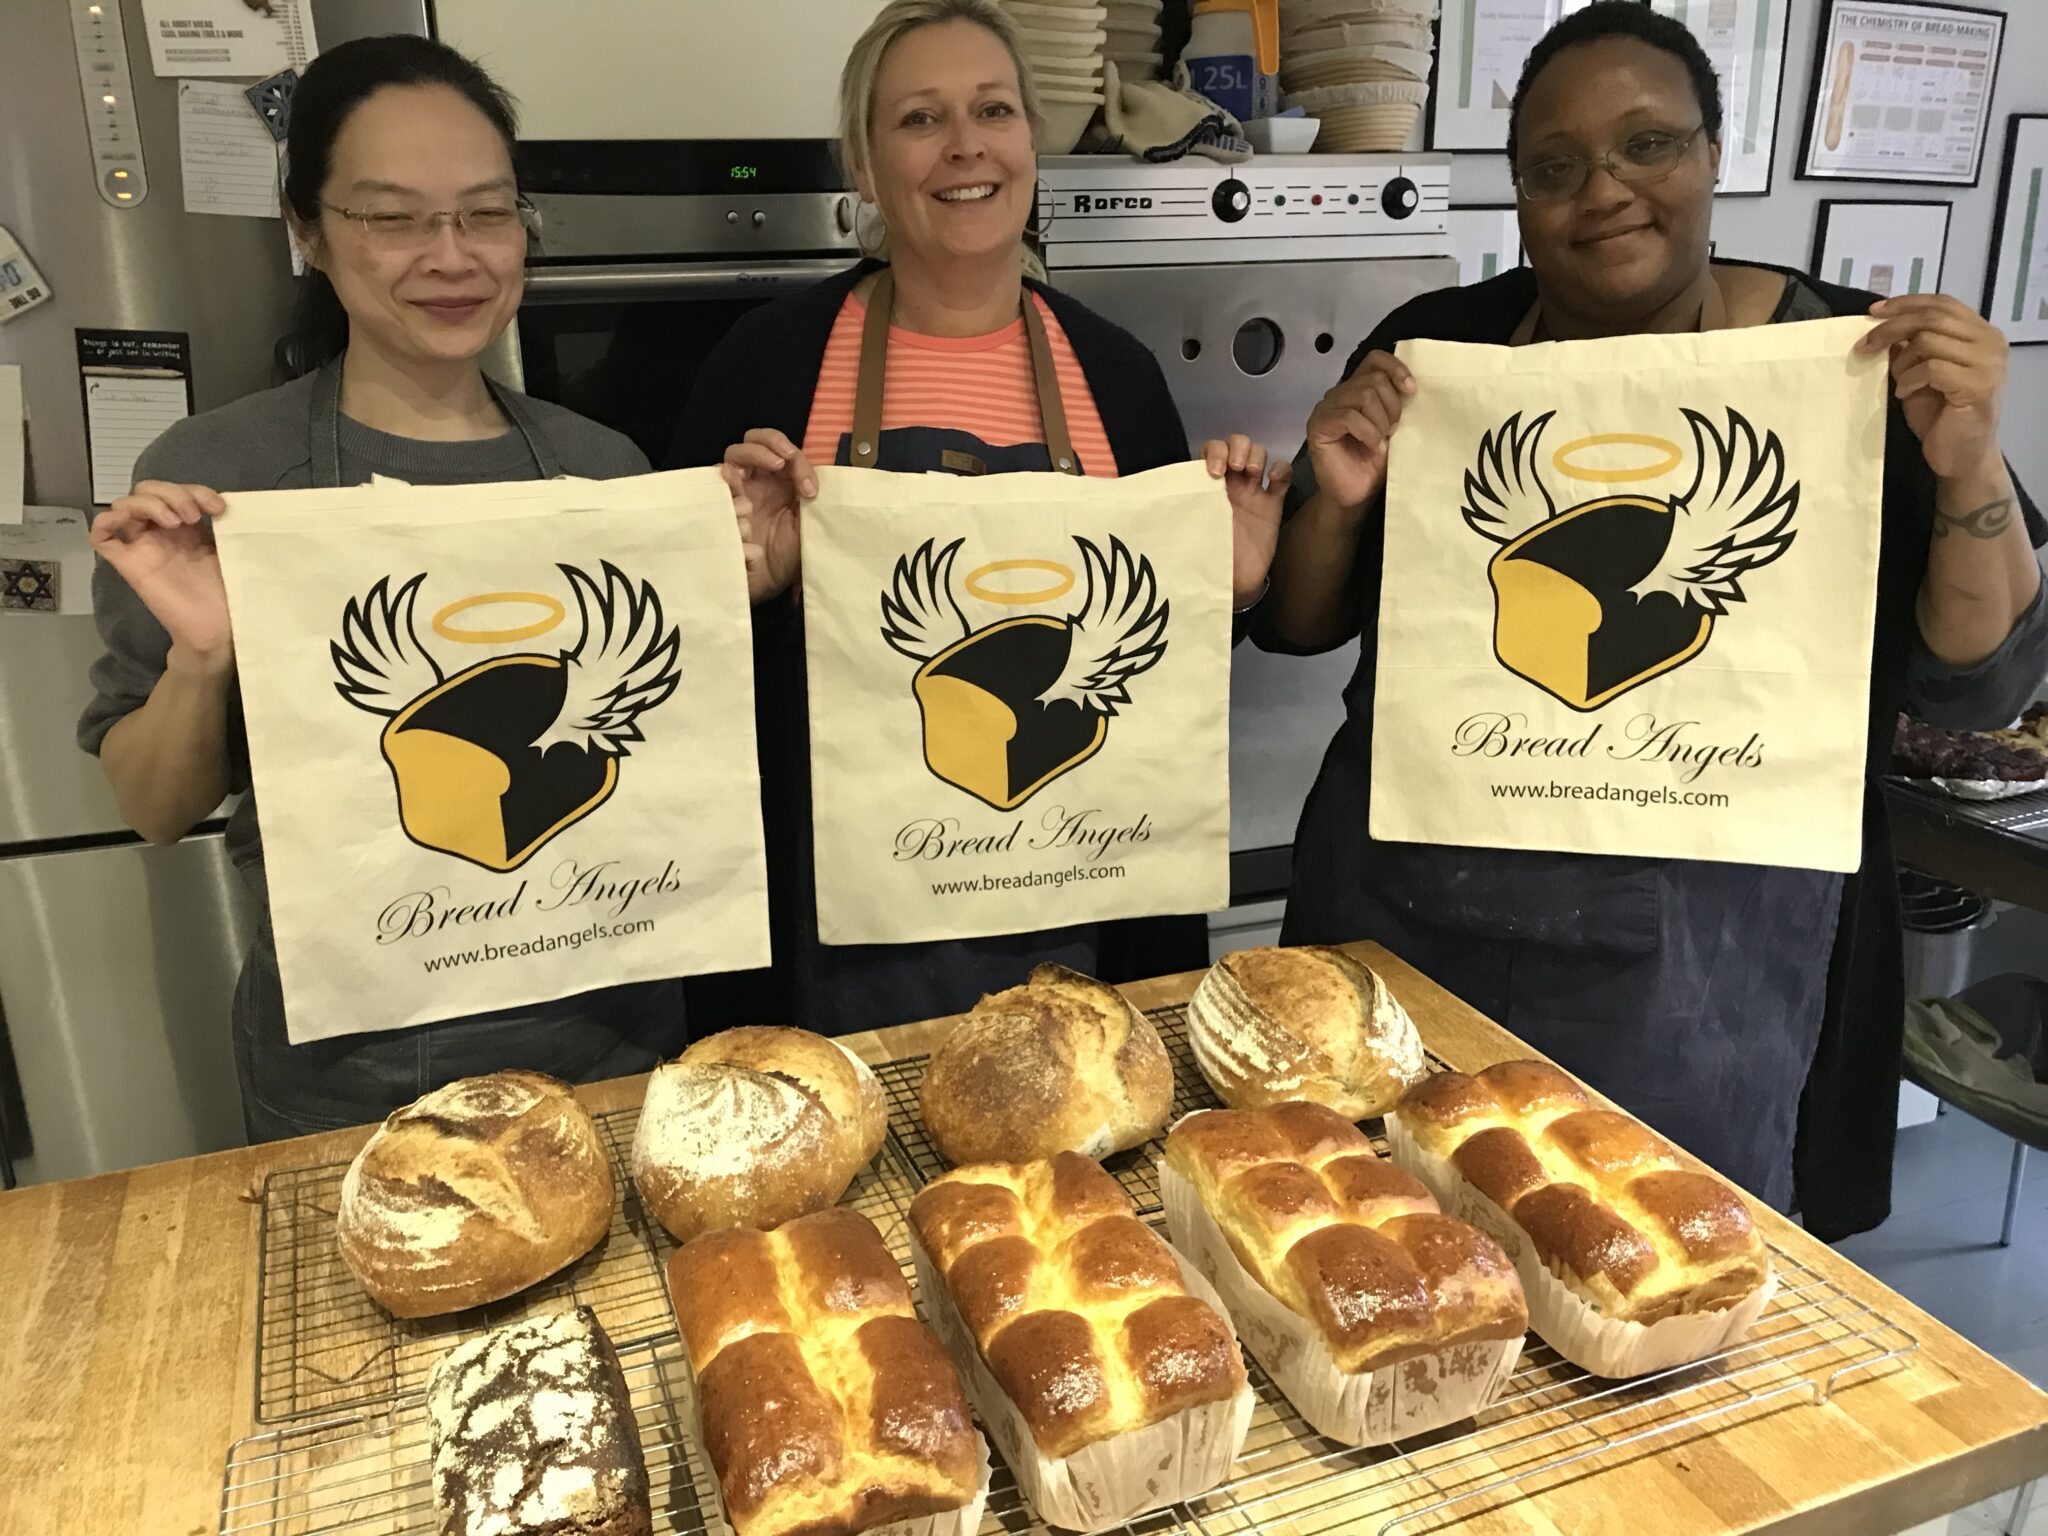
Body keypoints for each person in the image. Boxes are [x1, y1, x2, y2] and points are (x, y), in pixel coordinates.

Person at [1258, 3, 2046, 1235]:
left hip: (1698, 963)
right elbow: (1303, 623)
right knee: (1357, 1235)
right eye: (1554, 167)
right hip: (1401, 907)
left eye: (1645, 147)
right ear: (1518, 196)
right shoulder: (1433, 352)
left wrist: (1967, 468)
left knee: (1654, 1267)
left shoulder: (1846, 365)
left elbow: (1976, 684)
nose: (1603, 192)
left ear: (1711, 152)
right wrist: (1336, 501)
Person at [78, 36, 683, 1141]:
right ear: (308, 230)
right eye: (392, 216)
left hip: (613, 1041)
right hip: (355, 1082)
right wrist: (204, 655)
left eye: (485, 212)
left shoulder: (605, 469)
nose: (449, 255)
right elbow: (152, 810)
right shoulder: (223, 476)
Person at [673, 0, 1288, 1036]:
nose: (964, 146)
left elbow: (1152, 690)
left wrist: (1228, 589)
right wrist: (754, 585)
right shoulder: (766, 363)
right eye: (919, 119)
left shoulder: (1114, 376)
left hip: (1083, 916)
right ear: (862, 165)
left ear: (1030, 143)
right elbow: (680, 681)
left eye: (992, 110)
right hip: (833, 939)